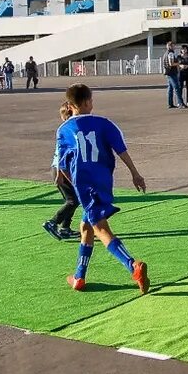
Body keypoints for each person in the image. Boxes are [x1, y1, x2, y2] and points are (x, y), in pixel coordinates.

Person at [54, 83, 149, 293]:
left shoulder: (64, 129)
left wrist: (76, 185)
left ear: (70, 106)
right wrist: (135, 173)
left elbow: (62, 168)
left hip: (85, 185)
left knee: (101, 229)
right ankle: (79, 277)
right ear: (89, 102)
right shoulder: (105, 124)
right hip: (104, 182)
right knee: (86, 227)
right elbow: (121, 150)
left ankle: (132, 266)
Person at [43, 103, 80, 240]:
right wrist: (59, 175)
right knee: (72, 201)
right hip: (61, 170)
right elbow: (60, 155)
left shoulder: (70, 132)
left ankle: (65, 228)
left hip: (65, 170)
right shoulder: (66, 132)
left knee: (73, 200)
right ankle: (53, 222)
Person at [160, 42, 185, 109]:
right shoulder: (170, 53)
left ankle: (170, 103)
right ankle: (180, 103)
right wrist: (178, 63)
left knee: (170, 88)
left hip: (168, 72)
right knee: (177, 88)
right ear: (170, 46)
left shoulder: (166, 53)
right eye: (173, 46)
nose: (174, 47)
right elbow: (171, 63)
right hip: (172, 72)